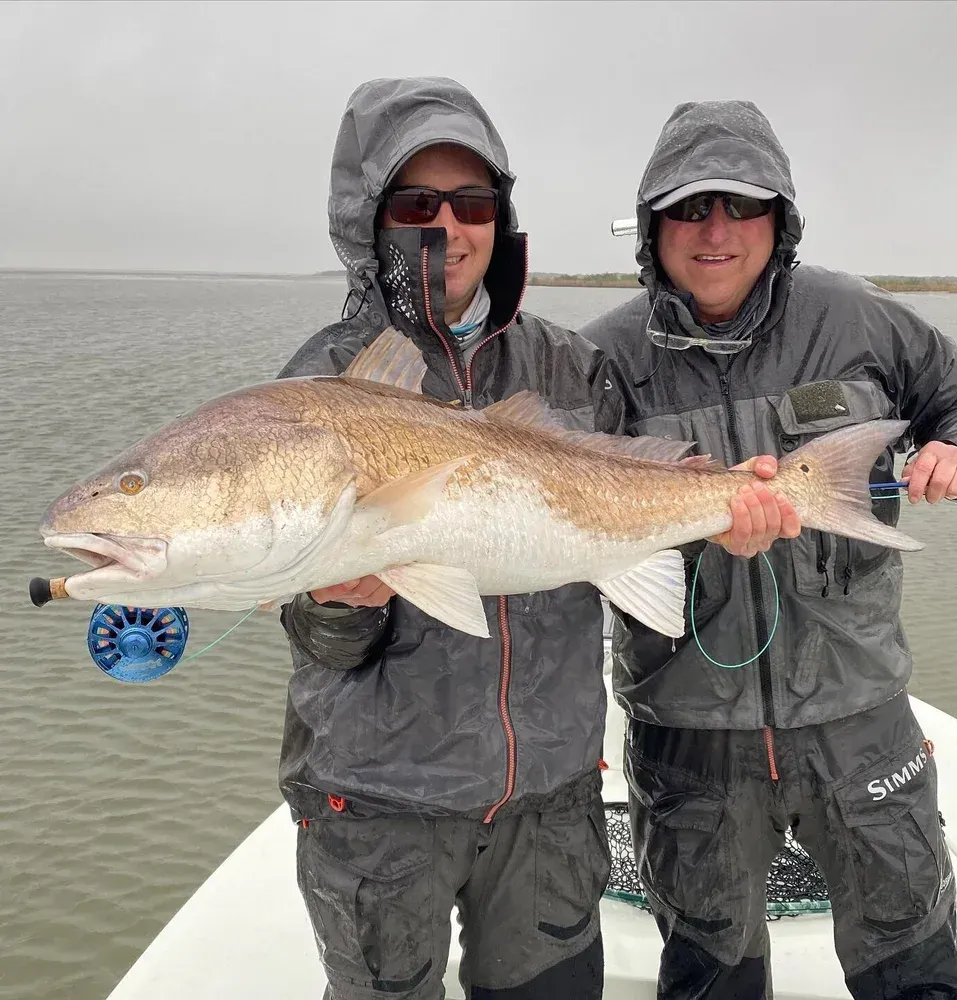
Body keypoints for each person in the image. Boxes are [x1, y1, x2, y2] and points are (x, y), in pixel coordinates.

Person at [273, 78, 795, 1000]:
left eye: (472, 203)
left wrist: (730, 519)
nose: (448, 227)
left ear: (499, 217)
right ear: (371, 221)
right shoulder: (321, 384)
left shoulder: (569, 363)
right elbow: (309, 629)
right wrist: (333, 604)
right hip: (380, 803)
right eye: (415, 204)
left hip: (551, 797)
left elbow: (634, 502)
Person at [580, 99, 957, 1000]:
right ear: (653, 226)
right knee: (709, 972)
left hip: (859, 715)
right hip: (684, 732)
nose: (716, 231)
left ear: (782, 219)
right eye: (691, 208)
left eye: (742, 204)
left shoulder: (859, 319)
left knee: (917, 964)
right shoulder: (598, 358)